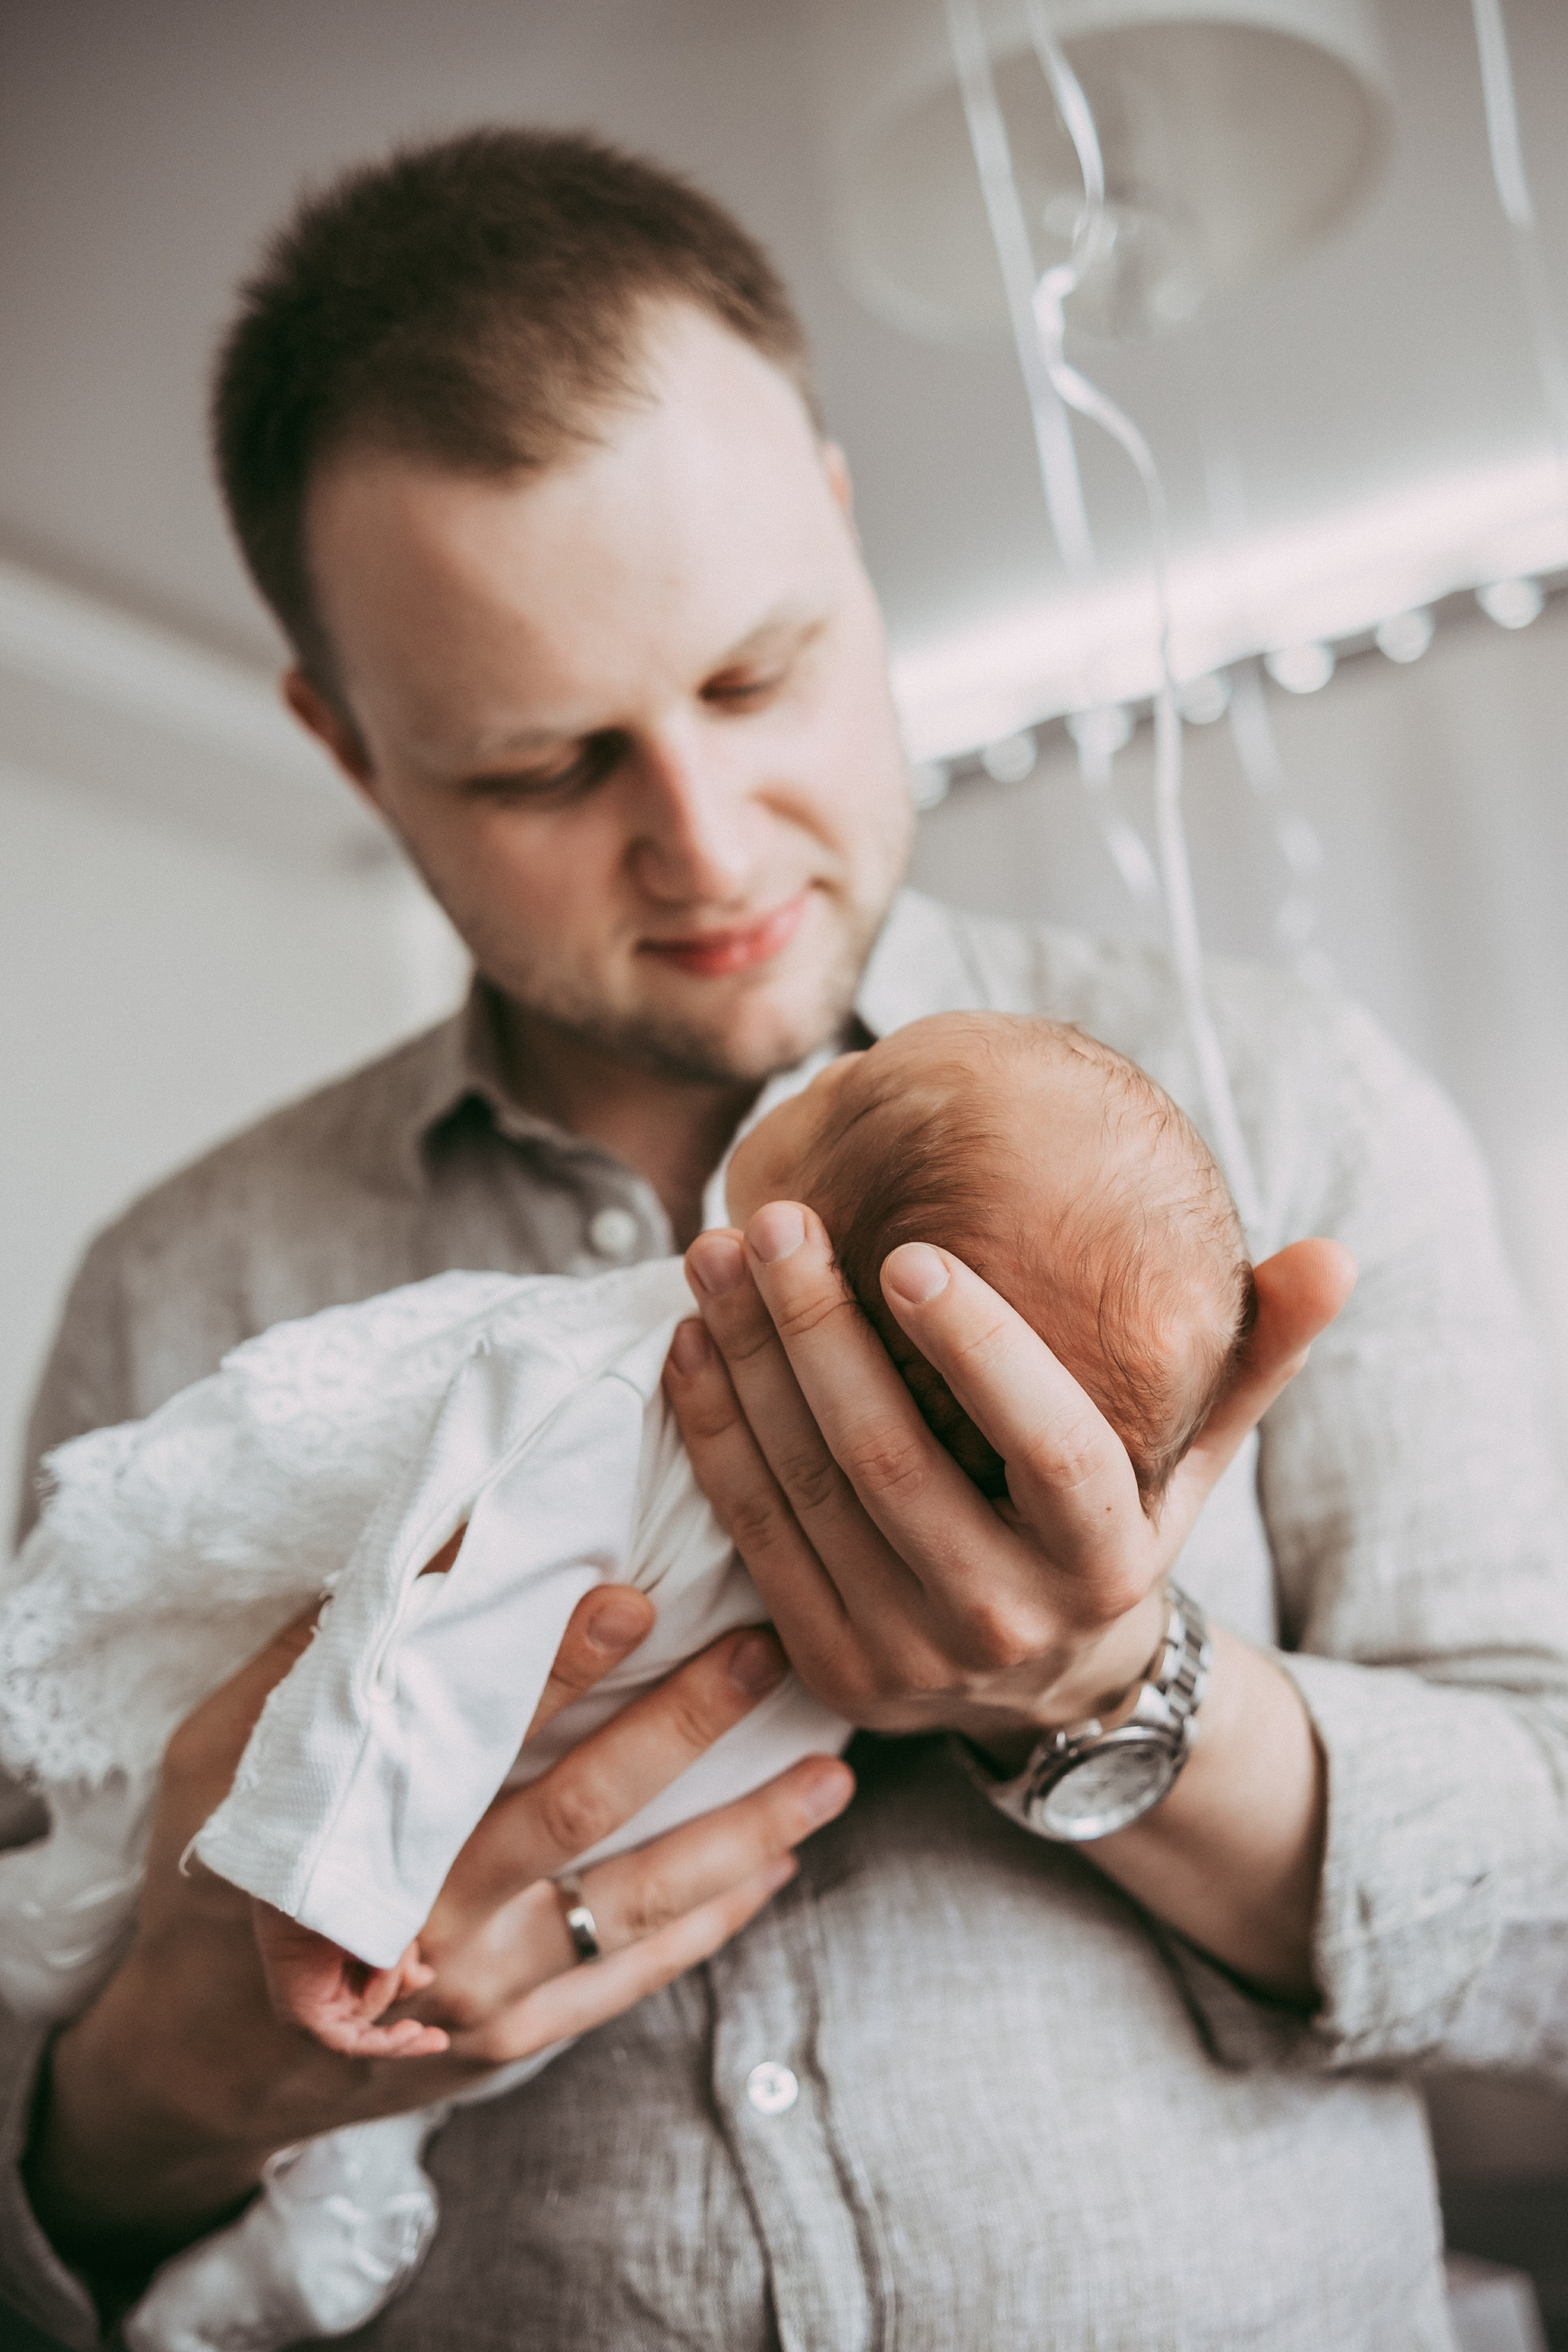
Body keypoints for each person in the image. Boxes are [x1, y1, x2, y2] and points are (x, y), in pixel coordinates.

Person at [2, 127, 1565, 2352]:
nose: (707, 843)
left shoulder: (1285, 1104)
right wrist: (182, 2068)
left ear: (842, 522)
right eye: (543, 770)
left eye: (758, 679)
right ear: (348, 748)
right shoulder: (185, 1293)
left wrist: (1111, 1700)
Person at [2, 1012, 1251, 2349]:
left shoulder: (605, 1386)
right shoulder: (891, 1536)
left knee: (56, 1931)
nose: (815, 1070)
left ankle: (236, 2259)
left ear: (800, 1224)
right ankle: (233, 2265)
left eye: (851, 1087)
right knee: (95, 1943)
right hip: (419, 1935)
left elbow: (429, 1631)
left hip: (431, 1894)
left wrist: (334, 1890)